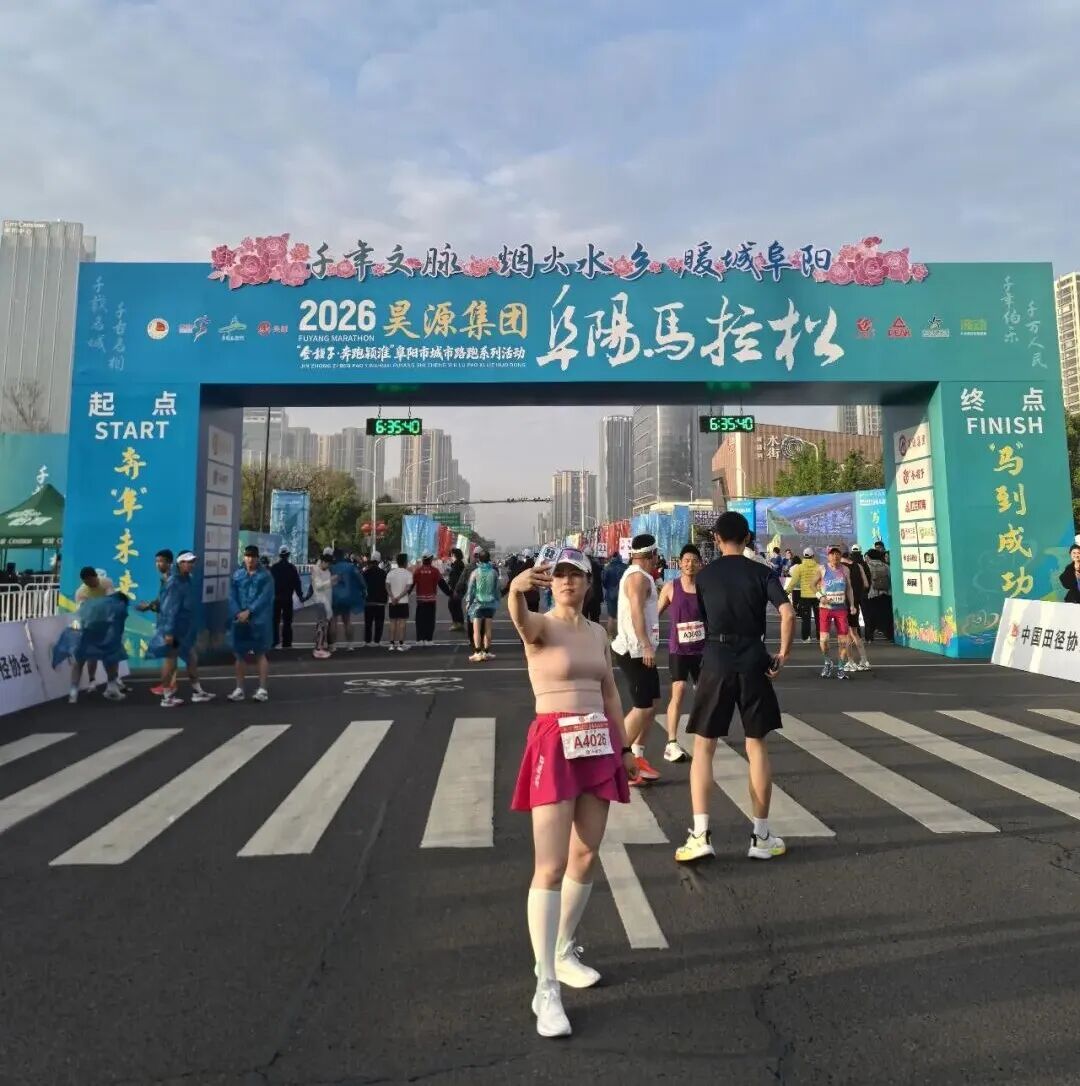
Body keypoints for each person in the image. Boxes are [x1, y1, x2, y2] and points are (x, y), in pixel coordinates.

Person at [507, 547, 637, 1038]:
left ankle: (562, 952)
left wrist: (625, 747)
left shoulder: (598, 633)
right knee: (551, 864)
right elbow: (520, 619)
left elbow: (609, 692)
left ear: (587, 583)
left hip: (597, 740)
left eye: (575, 575)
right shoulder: (540, 626)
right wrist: (516, 590)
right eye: (559, 575)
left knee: (585, 854)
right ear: (550, 582)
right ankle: (545, 987)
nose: (566, 582)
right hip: (553, 740)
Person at [674, 511, 795, 864]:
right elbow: (787, 613)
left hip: (715, 658)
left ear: (716, 538)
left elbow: (704, 619)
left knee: (704, 746)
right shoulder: (762, 572)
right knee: (756, 744)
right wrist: (782, 654)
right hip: (753, 657)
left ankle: (700, 835)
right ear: (747, 538)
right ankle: (761, 836)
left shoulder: (705, 576)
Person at [611, 534, 662, 784]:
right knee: (643, 707)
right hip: (634, 651)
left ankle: (637, 756)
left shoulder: (641, 576)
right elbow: (635, 612)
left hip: (642, 650)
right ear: (652, 555)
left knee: (653, 703)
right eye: (656, 556)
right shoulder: (637, 578)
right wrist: (645, 645)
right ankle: (616, 763)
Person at [657, 544, 704, 764]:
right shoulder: (671, 587)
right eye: (686, 560)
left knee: (704, 694)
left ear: (700, 564)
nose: (690, 564)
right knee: (679, 690)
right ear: (680, 563)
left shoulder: (705, 589)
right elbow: (654, 615)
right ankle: (671, 742)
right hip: (679, 650)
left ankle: (703, 734)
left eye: (694, 561)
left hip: (702, 650)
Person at [149, 551, 214, 707]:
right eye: (187, 562)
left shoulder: (188, 579)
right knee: (170, 661)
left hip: (185, 630)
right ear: (179, 563)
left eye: (192, 562)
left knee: (191, 658)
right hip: (175, 630)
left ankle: (198, 692)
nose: (190, 564)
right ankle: (166, 697)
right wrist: (169, 632)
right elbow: (170, 609)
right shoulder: (174, 582)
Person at [228, 544, 274, 701]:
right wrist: (237, 612)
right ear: (244, 557)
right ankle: (239, 689)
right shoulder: (237, 575)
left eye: (253, 556)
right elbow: (231, 595)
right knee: (239, 655)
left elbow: (265, 598)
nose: (250, 559)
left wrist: (250, 611)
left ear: (257, 558)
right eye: (247, 556)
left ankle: (262, 689)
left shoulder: (265, 576)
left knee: (260, 653)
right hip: (240, 620)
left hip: (258, 621)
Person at [72, 566, 115, 697]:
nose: (89, 584)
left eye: (90, 581)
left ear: (96, 577)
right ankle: (80, 687)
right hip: (88, 625)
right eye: (85, 582)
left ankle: (113, 682)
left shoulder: (106, 582)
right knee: (82, 658)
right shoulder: (81, 592)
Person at [138, 549, 175, 697]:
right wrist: (149, 606)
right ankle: (171, 685)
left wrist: (150, 607)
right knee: (172, 655)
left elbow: (169, 604)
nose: (158, 564)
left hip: (170, 624)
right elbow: (161, 601)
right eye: (156, 561)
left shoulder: (172, 579)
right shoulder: (165, 579)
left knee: (170, 655)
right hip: (167, 622)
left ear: (169, 562)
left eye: (161, 561)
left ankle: (167, 688)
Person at [818, 546, 855, 679]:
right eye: (832, 554)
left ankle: (840, 667)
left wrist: (852, 605)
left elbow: (849, 588)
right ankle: (828, 662)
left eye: (837, 554)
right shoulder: (822, 569)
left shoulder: (845, 569)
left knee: (843, 641)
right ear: (828, 556)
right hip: (825, 609)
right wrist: (820, 596)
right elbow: (812, 585)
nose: (835, 556)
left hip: (841, 609)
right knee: (824, 640)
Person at [841, 548, 872, 672]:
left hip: (843, 604)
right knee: (854, 633)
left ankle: (850, 662)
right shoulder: (858, 566)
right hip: (855, 603)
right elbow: (866, 584)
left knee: (846, 634)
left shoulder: (840, 568)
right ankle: (864, 661)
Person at [466, 549, 500, 661]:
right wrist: (497, 601)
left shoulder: (475, 572)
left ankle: (477, 652)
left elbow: (470, 589)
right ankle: (486, 651)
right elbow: (497, 589)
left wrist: (468, 602)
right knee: (488, 630)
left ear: (479, 559)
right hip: (490, 604)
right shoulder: (494, 572)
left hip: (477, 604)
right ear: (489, 559)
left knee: (476, 630)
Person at [412, 551, 451, 645]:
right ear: (430, 559)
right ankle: (428, 639)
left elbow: (411, 584)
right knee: (430, 620)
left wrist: (405, 595)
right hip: (431, 600)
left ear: (422, 559)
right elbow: (442, 584)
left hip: (420, 600)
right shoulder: (435, 571)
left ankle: (420, 639)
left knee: (420, 620)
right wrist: (451, 594)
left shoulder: (417, 571)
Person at [330, 551, 366, 651]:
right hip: (346, 596)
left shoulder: (331, 568)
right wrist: (363, 589)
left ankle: (333, 646)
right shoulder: (350, 567)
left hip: (334, 596)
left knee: (333, 621)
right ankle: (350, 645)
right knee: (347, 621)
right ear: (343, 556)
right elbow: (360, 579)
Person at [271, 546, 304, 649]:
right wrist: (300, 595)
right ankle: (287, 643)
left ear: (279, 555)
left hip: (275, 598)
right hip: (287, 598)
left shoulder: (274, 568)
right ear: (288, 555)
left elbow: (269, 584)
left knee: (274, 622)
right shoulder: (292, 568)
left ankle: (274, 641)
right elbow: (297, 583)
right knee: (287, 622)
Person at [789, 547, 821, 642]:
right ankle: (820, 637)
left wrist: (786, 591)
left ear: (803, 556)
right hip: (817, 595)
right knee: (819, 618)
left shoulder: (799, 567)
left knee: (806, 619)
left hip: (805, 596)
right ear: (813, 556)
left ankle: (806, 638)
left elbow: (793, 582)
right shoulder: (819, 567)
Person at [863, 543, 893, 643]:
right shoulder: (886, 566)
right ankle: (889, 635)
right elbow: (890, 579)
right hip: (886, 594)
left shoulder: (867, 566)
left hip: (872, 594)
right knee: (886, 615)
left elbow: (865, 581)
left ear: (869, 557)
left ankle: (869, 637)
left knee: (871, 616)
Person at [309, 548, 335, 658]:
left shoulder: (327, 571)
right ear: (323, 561)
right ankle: (318, 648)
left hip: (326, 601)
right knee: (322, 625)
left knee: (324, 625)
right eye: (327, 563)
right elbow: (318, 586)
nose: (328, 565)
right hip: (320, 601)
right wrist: (330, 581)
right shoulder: (316, 570)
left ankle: (320, 646)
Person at [360, 551, 388, 647]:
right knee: (379, 622)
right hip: (380, 601)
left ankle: (368, 641)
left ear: (371, 560)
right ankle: (377, 641)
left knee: (368, 623)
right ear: (379, 561)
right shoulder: (383, 573)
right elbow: (386, 587)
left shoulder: (365, 573)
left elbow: (362, 586)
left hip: (368, 601)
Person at [386, 553, 413, 651]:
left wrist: (393, 597)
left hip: (392, 601)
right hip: (403, 601)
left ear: (397, 562)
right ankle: (401, 644)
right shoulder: (408, 574)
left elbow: (387, 586)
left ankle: (391, 644)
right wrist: (398, 597)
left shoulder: (390, 573)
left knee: (392, 622)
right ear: (405, 562)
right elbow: (407, 588)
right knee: (402, 623)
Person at [602, 552, 626, 635]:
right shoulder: (625, 567)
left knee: (611, 617)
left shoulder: (607, 567)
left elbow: (604, 581)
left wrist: (609, 588)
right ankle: (621, 635)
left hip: (611, 594)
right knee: (622, 617)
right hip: (623, 594)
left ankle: (610, 636)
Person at [445, 548, 468, 631]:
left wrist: (455, 590)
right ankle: (459, 623)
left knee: (453, 605)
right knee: (456, 605)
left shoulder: (457, 564)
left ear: (454, 555)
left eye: (451, 555)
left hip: (456, 589)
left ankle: (457, 623)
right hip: (458, 588)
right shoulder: (458, 563)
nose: (450, 556)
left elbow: (456, 579)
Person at [583, 547, 604, 623]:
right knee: (595, 619)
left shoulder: (582, 565)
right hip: (595, 595)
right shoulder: (596, 565)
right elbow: (599, 581)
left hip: (584, 594)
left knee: (583, 618)